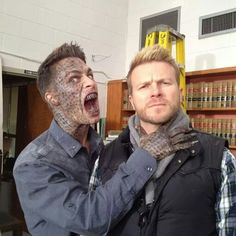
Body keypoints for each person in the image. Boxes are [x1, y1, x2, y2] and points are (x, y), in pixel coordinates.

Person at [12, 42, 165, 236]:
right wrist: (148, 153)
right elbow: (90, 218)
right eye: (74, 78)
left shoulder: (99, 145)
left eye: (89, 74)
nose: (90, 82)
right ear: (53, 98)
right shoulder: (32, 164)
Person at [99, 44, 236, 236]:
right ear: (131, 100)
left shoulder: (220, 158)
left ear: (180, 93)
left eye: (164, 82)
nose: (155, 92)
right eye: (144, 86)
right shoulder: (105, 157)